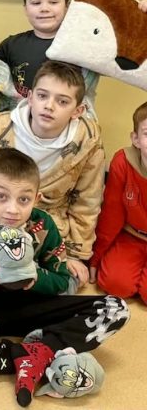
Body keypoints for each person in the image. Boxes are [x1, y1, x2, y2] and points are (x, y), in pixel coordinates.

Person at [0, 148, 129, 407]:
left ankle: (41, 348)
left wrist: (36, 277)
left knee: (116, 308)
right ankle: (27, 356)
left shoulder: (43, 225)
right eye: (1, 197)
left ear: (37, 198)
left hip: (31, 306)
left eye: (24, 199)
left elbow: (61, 280)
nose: (13, 209)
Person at [0, 60, 103, 284]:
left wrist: (74, 254)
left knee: (66, 282)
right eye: (42, 96)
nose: (49, 106)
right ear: (30, 97)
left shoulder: (88, 142)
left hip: (49, 231)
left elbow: (87, 201)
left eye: (62, 101)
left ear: (78, 110)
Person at [0, 0, 99, 115]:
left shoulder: (84, 46)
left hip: (70, 122)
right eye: (36, 3)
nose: (44, 9)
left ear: (67, 7)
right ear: (25, 8)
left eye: (53, 2)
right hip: (20, 121)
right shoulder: (10, 45)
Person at [90, 101, 147, 303]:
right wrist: (96, 257)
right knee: (114, 284)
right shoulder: (123, 162)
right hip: (132, 235)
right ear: (136, 139)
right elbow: (111, 213)